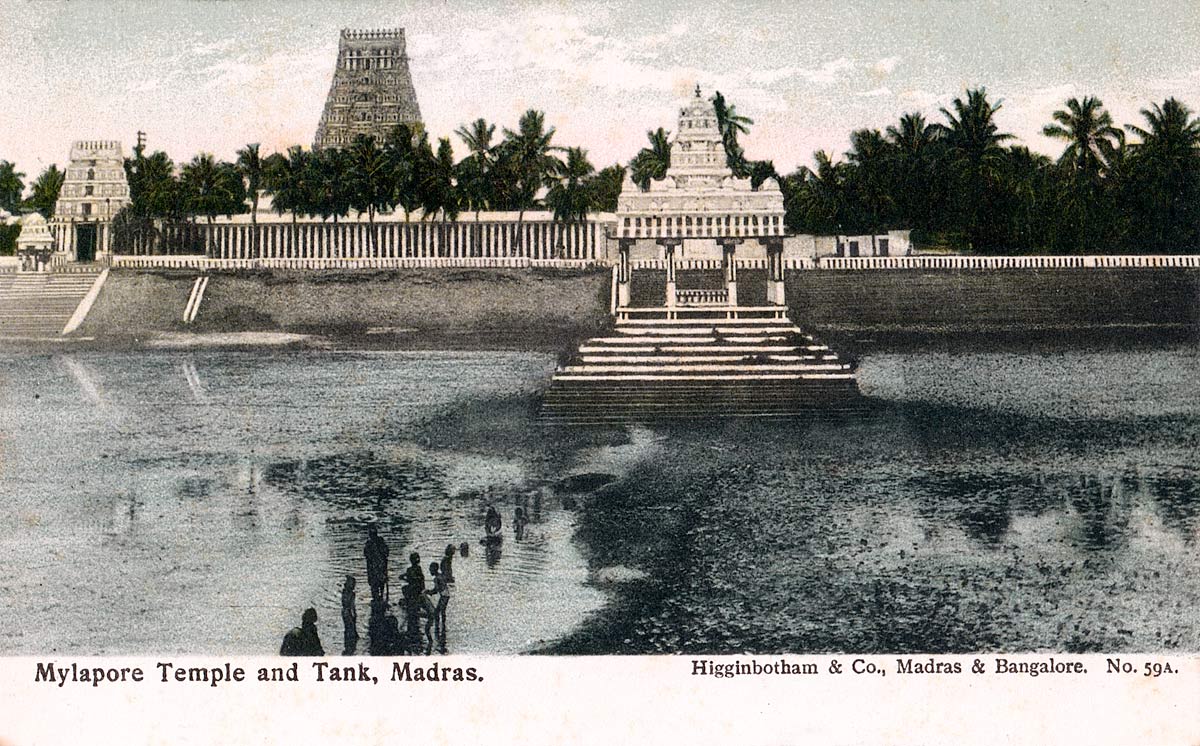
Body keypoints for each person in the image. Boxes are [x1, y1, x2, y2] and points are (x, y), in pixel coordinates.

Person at [427, 561, 450, 653]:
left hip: (444, 596)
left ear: (434, 570)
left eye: (430, 569)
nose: (430, 571)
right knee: (441, 612)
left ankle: (439, 628)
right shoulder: (440, 576)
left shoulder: (436, 578)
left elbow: (436, 590)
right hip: (446, 595)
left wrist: (428, 592)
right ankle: (442, 628)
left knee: (437, 612)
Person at [364, 527, 390, 601]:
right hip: (377, 566)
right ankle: (378, 597)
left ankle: (378, 597)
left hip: (377, 566)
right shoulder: (372, 543)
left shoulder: (374, 543)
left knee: (377, 583)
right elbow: (386, 552)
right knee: (377, 583)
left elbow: (386, 552)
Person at [341, 575, 358, 655]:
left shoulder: (344, 592)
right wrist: (354, 614)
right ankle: (351, 640)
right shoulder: (352, 594)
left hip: (344, 611)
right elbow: (352, 605)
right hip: (348, 612)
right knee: (351, 626)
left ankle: (348, 641)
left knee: (347, 627)